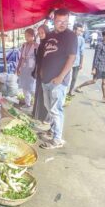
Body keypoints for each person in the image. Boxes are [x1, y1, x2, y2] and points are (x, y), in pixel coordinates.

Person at [39, 8, 77, 149]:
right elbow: (45, 54)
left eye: (65, 22)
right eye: (59, 21)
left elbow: (72, 58)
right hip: (46, 80)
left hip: (58, 81)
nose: (62, 24)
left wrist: (61, 76)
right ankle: (53, 130)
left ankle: (57, 139)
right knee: (49, 108)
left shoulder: (71, 36)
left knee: (56, 110)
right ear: (54, 21)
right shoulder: (49, 35)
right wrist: (42, 71)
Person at [75, 31, 105, 104]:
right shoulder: (99, 45)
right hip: (98, 66)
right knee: (94, 81)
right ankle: (78, 87)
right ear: (103, 36)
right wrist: (94, 68)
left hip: (104, 66)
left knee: (104, 82)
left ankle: (104, 98)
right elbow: (96, 57)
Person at [32, 24, 50, 122]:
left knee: (44, 95)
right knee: (38, 93)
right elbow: (38, 60)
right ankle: (37, 115)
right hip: (40, 72)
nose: (41, 34)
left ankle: (43, 117)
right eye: (39, 33)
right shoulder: (41, 44)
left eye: (42, 32)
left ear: (47, 32)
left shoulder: (48, 44)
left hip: (46, 74)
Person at [17, 28, 38, 110]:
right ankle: (27, 104)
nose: (26, 38)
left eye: (28, 36)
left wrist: (37, 70)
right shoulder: (24, 45)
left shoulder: (36, 46)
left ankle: (37, 104)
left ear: (33, 36)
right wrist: (18, 67)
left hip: (32, 70)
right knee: (24, 87)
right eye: (25, 36)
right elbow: (21, 58)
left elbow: (38, 60)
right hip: (24, 69)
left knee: (32, 87)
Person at [68, 23, 85, 96]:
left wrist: (81, 63)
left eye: (81, 31)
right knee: (65, 77)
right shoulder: (68, 37)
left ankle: (70, 91)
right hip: (67, 61)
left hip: (77, 61)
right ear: (74, 29)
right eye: (79, 30)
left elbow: (82, 52)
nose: (80, 32)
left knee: (74, 78)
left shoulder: (81, 39)